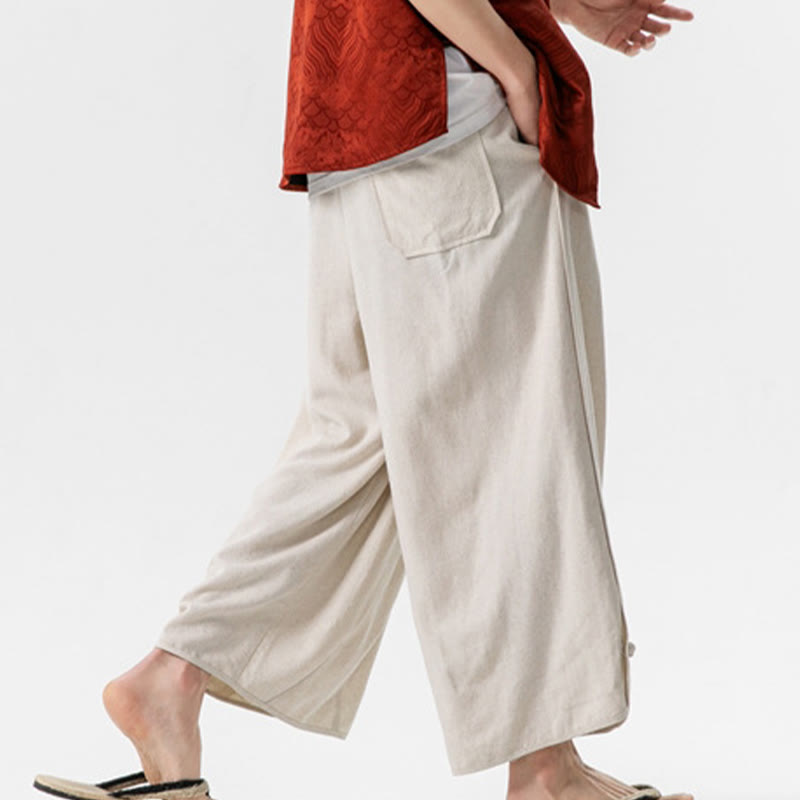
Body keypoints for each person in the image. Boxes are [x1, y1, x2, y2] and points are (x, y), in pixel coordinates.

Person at [33, 1, 696, 799]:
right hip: (448, 128)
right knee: (512, 452)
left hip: (360, 135)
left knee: (356, 444)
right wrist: (519, 71)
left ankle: (170, 679)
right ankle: (545, 771)